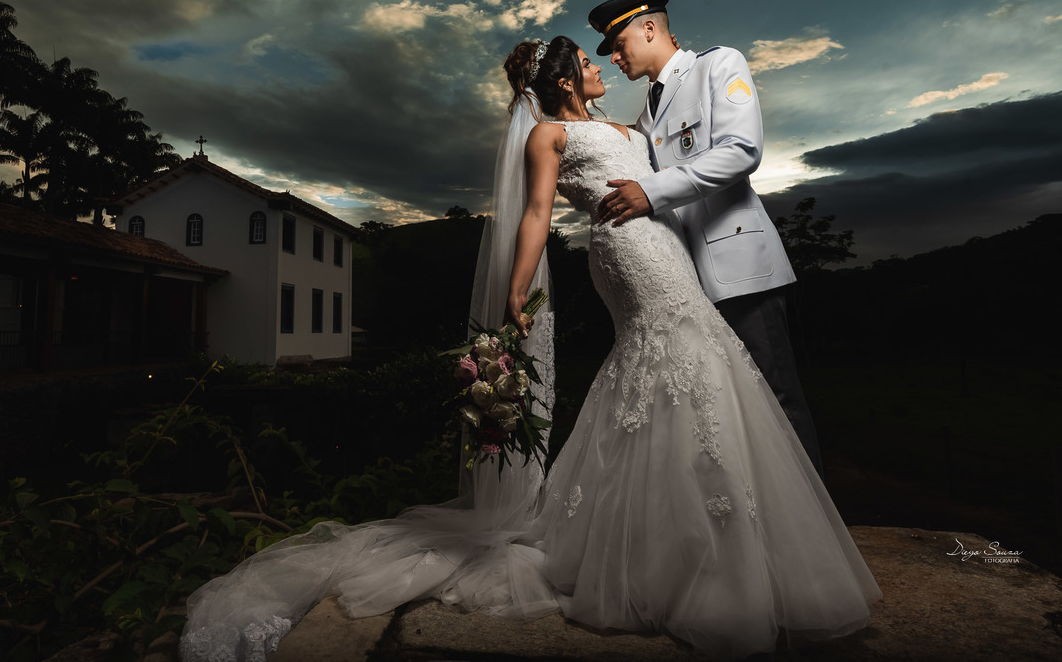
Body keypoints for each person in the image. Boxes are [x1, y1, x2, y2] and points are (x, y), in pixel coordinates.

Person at [179, 36, 880, 662]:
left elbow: (678, 162)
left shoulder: (623, 125)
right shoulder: (546, 136)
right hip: (627, 253)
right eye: (588, 61)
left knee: (689, 361)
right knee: (674, 351)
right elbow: (539, 213)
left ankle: (706, 538)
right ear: (568, 79)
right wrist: (517, 289)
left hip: (665, 243)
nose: (602, 66)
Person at [587, 0, 825, 477]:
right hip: (685, 284)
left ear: (649, 28)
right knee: (732, 414)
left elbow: (742, 150)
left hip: (742, 273)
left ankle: (816, 542)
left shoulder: (718, 66)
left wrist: (651, 191)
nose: (613, 57)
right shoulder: (647, 114)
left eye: (617, 44)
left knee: (776, 400)